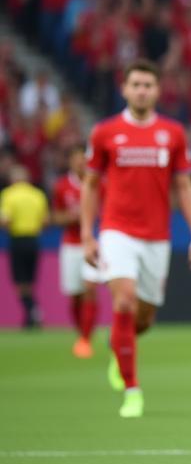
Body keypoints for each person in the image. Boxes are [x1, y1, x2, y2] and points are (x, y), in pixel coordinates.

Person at [81, 60, 191, 418]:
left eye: (147, 85)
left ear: (156, 90)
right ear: (124, 89)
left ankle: (119, 347)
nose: (141, 90)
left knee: (144, 318)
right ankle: (132, 390)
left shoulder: (172, 133)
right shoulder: (105, 133)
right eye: (135, 84)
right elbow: (90, 186)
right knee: (123, 303)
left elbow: (184, 186)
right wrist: (88, 235)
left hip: (156, 236)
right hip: (116, 231)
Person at [51, 144, 103, 356]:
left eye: (84, 158)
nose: (81, 162)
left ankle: (85, 339)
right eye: (77, 159)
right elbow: (56, 216)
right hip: (71, 245)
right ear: (70, 161)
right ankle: (81, 332)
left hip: (93, 243)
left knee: (90, 288)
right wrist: (71, 217)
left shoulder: (100, 182)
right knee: (75, 295)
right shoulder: (62, 186)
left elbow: (108, 209)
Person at [0, 164, 49, 329]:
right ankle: (30, 316)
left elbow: (6, 220)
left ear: (13, 179)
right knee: (30, 280)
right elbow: (45, 221)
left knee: (20, 283)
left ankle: (32, 310)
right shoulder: (38, 195)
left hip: (18, 240)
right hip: (34, 240)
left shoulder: (8, 195)